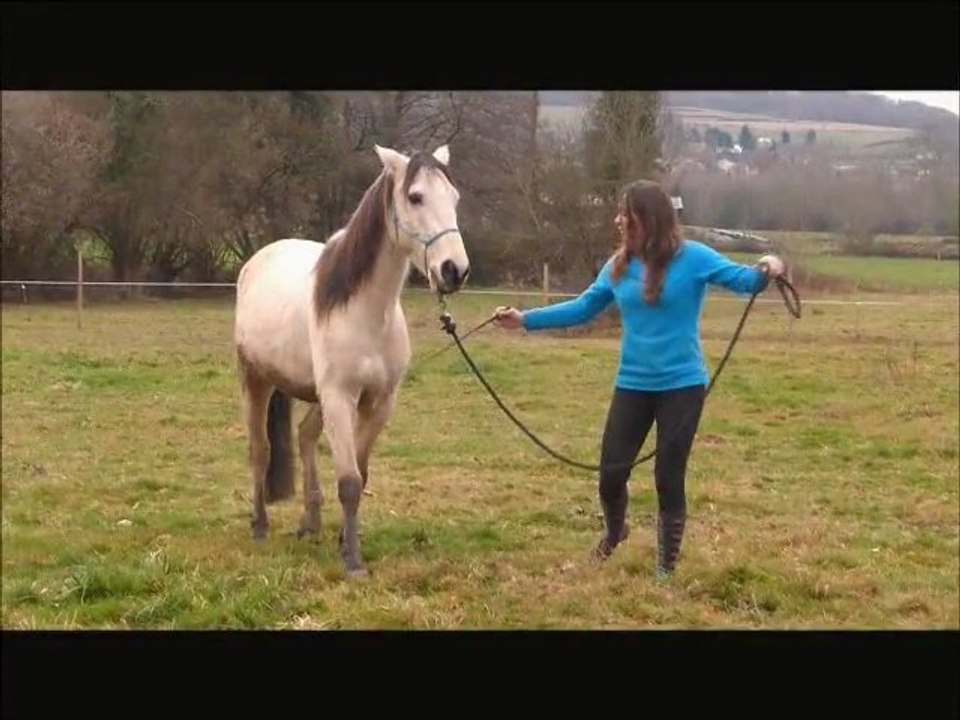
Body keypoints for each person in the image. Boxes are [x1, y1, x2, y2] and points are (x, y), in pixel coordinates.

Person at [493, 179, 785, 579]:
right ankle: (615, 533)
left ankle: (665, 567)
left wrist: (770, 265)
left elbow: (744, 281)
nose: (617, 220)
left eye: (624, 214)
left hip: (682, 385)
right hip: (633, 384)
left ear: (646, 219)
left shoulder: (694, 258)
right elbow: (582, 308)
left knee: (668, 475)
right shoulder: (618, 266)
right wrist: (526, 320)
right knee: (611, 473)